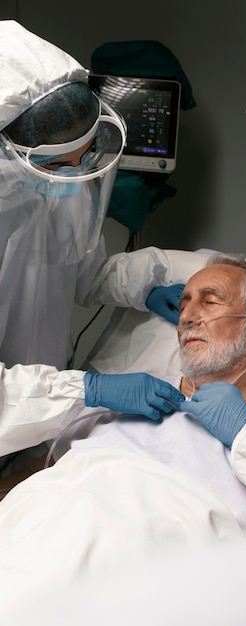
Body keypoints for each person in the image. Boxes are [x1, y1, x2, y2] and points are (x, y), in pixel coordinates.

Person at [0, 254, 246, 606]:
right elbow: (40, 473)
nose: (188, 316)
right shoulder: (125, 397)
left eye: (211, 301)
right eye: (184, 303)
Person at [0, 20, 185, 462]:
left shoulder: (60, 189)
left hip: (38, 424)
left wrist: (146, 288)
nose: (73, 177)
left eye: (83, 158)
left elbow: (83, 270)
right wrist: (87, 390)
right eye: (55, 165)